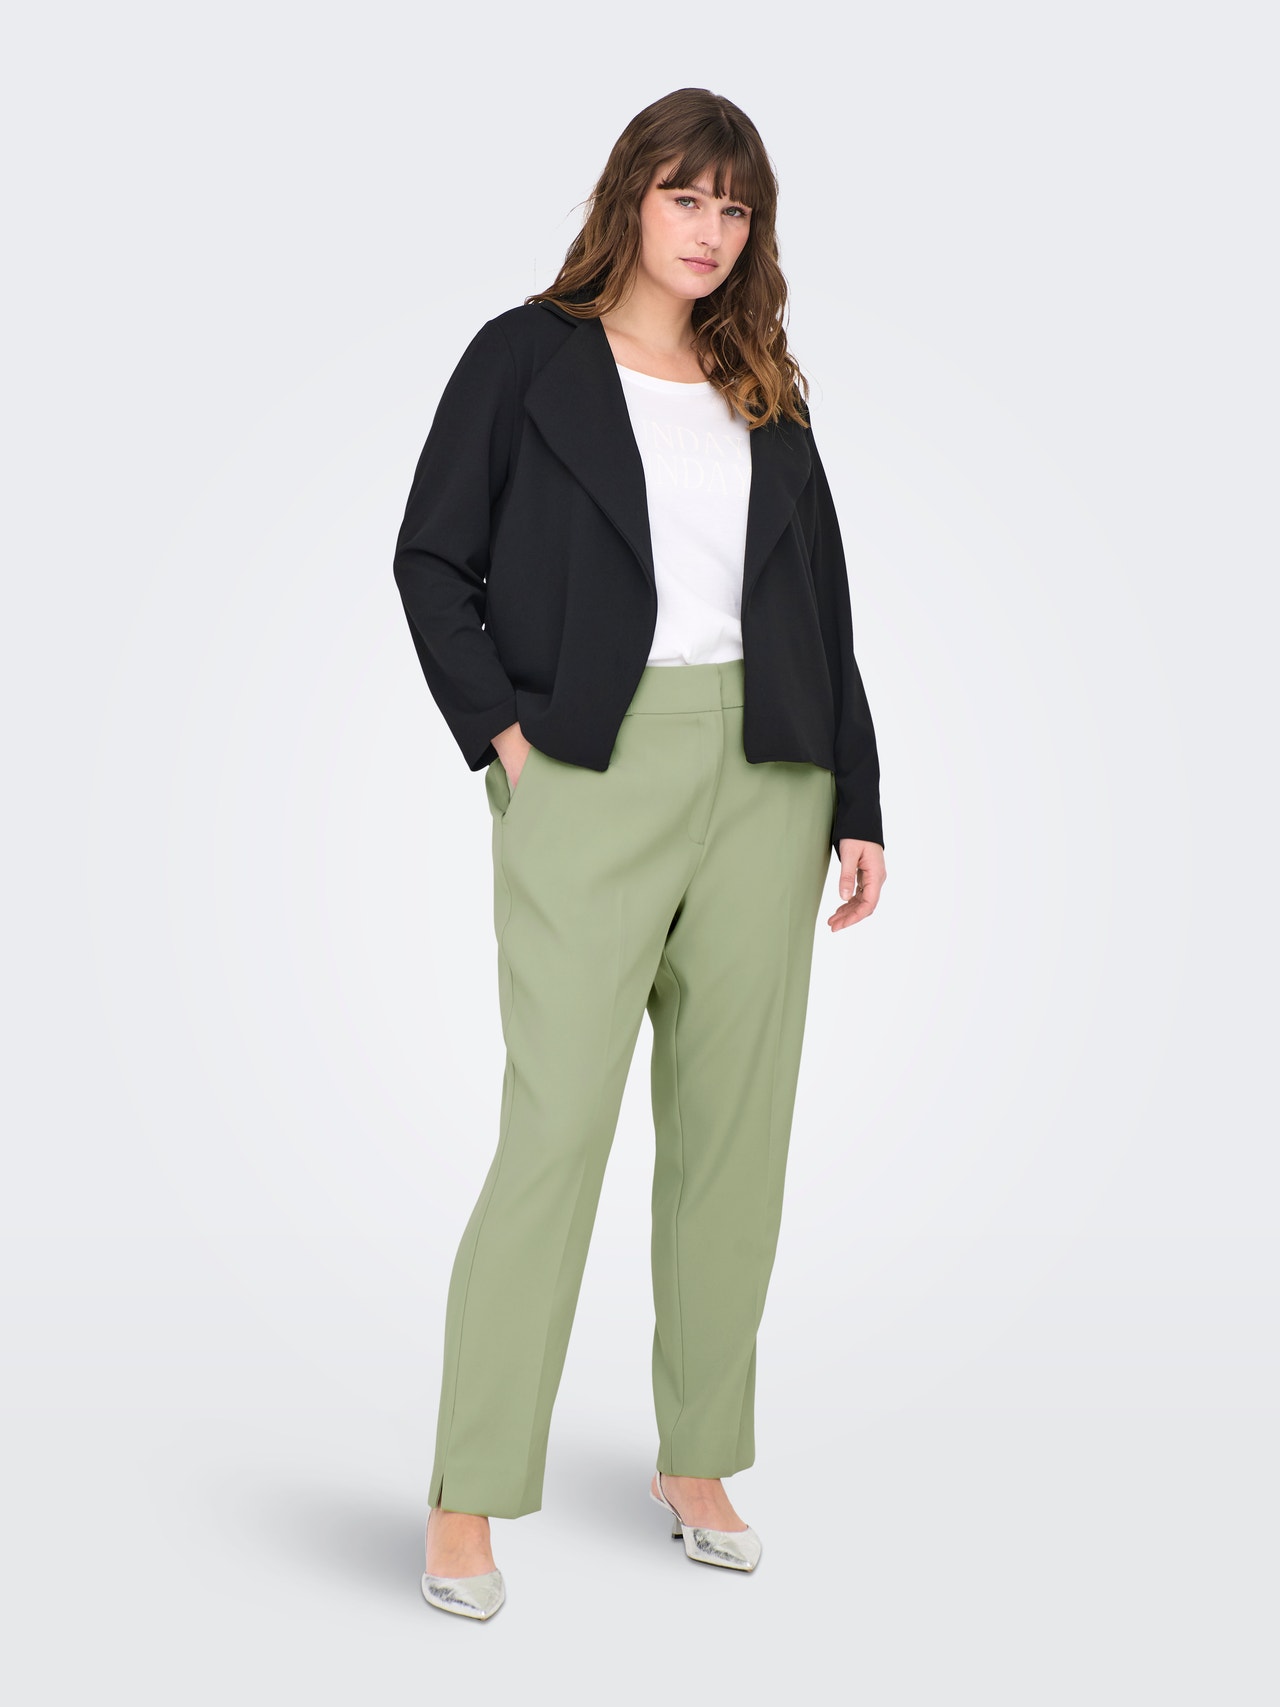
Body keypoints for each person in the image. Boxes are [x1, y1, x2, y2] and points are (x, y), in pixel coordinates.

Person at [392, 87, 886, 1622]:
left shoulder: (762, 385)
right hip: (589, 769)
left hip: (771, 770)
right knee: (556, 1131)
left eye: (737, 209)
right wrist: (506, 740)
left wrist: (860, 802)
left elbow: (826, 609)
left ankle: (699, 1461)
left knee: (737, 1138)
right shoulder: (524, 358)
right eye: (688, 197)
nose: (712, 230)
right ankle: (468, 1493)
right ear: (631, 198)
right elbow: (432, 557)